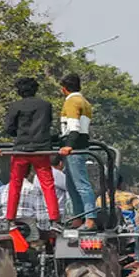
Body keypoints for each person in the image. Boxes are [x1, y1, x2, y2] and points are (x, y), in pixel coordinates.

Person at [0, 77, 61, 224]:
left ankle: (10, 217)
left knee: (15, 182)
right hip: (41, 149)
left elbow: (9, 128)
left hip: (21, 149)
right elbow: (48, 124)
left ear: (19, 91)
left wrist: (19, 135)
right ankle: (54, 217)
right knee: (47, 183)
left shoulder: (15, 106)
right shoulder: (45, 105)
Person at [56, 73, 96, 229]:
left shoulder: (72, 102)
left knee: (81, 185)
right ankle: (77, 218)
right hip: (81, 143)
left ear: (63, 89)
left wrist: (68, 146)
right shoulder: (84, 101)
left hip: (75, 147)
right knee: (71, 185)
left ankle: (90, 219)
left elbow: (74, 128)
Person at [0, 155, 72, 231]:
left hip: (6, 227)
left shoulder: (2, 190)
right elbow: (41, 216)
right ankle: (55, 222)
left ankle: (10, 220)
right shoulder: (34, 189)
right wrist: (46, 229)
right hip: (30, 228)